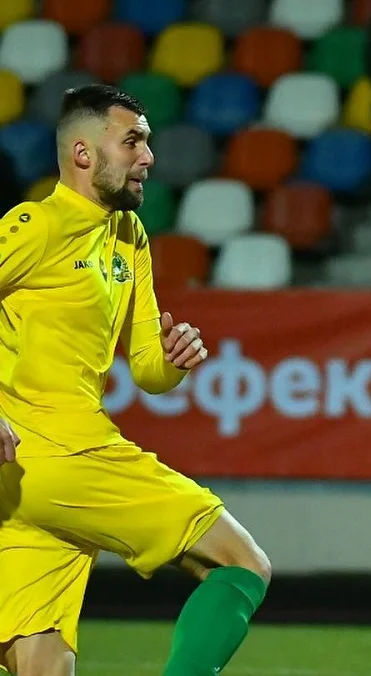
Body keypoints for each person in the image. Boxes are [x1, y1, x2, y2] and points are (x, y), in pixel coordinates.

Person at [0, 85, 271, 676]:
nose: (148, 157)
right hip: (65, 453)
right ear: (83, 153)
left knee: (43, 666)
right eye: (133, 142)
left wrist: (173, 360)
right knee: (242, 563)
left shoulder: (129, 235)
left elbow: (147, 369)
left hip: (25, 484)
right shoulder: (35, 225)